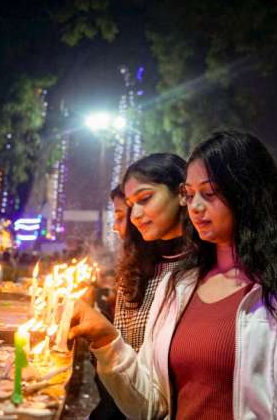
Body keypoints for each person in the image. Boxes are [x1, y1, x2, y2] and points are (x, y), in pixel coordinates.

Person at [72, 130, 277, 419]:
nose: (195, 207)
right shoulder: (178, 284)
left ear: (247, 193)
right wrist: (105, 338)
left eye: (209, 193)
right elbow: (151, 405)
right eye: (190, 194)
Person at [88, 153, 190, 420]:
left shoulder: (203, 271)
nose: (135, 216)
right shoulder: (135, 271)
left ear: (182, 193)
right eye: (131, 206)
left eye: (145, 200)